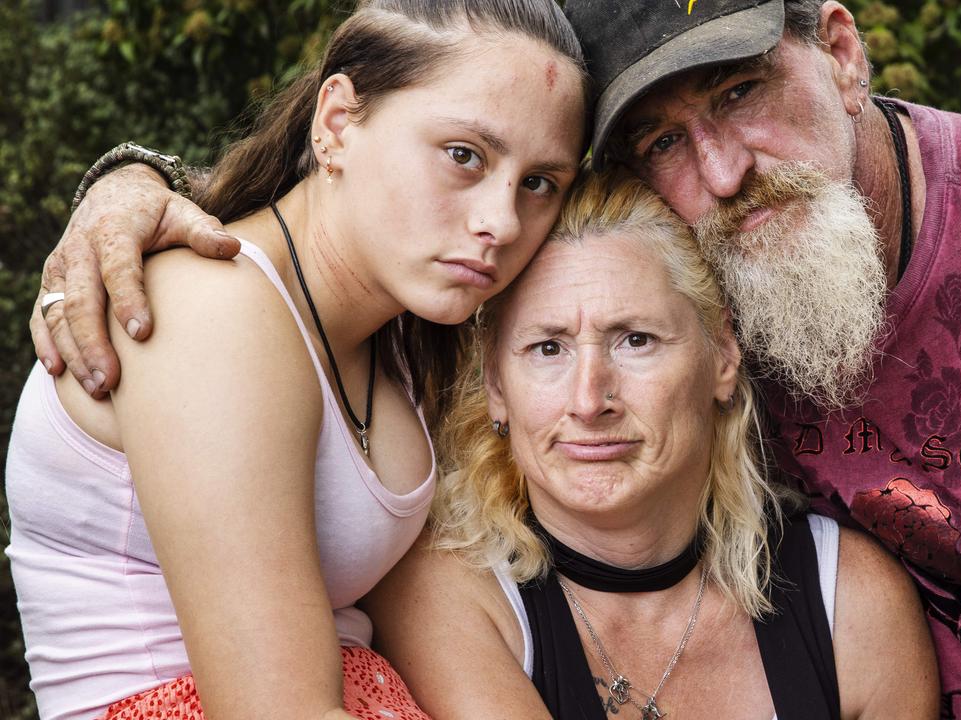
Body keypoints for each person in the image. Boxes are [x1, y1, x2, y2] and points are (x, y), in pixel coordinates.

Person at [26, 0, 961, 717]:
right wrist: (130, 192)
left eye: (741, 93)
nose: (721, 170)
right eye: (666, 140)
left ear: (840, 51)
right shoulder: (684, 255)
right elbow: (347, 228)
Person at [5, 0, 587, 717]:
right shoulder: (211, 308)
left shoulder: (403, 337)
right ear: (338, 122)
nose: (500, 222)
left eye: (539, 184)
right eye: (464, 155)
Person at [363, 169, 938, 719]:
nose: (589, 401)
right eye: (548, 348)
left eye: (635, 340)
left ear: (722, 357)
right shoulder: (447, 594)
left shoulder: (852, 603)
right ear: (496, 386)